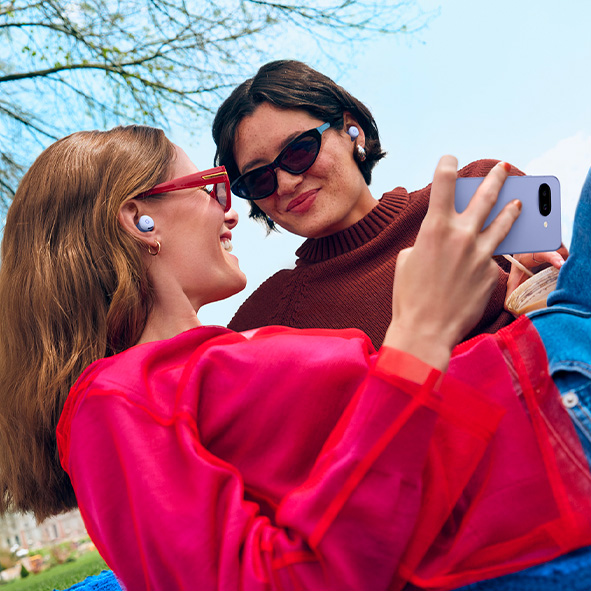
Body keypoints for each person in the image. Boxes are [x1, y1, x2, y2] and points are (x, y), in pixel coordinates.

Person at [0, 126, 589, 591]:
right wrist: (417, 339)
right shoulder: (116, 400)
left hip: (544, 373)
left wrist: (516, 308)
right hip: (549, 430)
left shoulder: (213, 358)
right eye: (212, 187)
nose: (231, 212)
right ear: (137, 219)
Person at [212, 59, 566, 348]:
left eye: (299, 150)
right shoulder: (268, 318)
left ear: (353, 130)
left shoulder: (481, 190)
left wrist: (542, 286)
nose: (286, 182)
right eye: (258, 178)